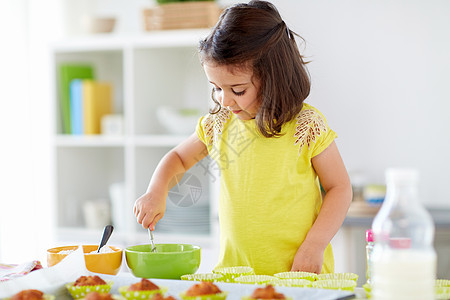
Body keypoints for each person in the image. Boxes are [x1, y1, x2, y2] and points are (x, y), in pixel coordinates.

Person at [134, 0, 352, 275]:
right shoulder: (219, 124)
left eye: (237, 90)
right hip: (235, 275)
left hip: (298, 274)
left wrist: (315, 245)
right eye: (216, 88)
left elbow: (340, 188)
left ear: (273, 78)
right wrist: (156, 191)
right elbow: (178, 157)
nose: (225, 100)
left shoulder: (305, 126)